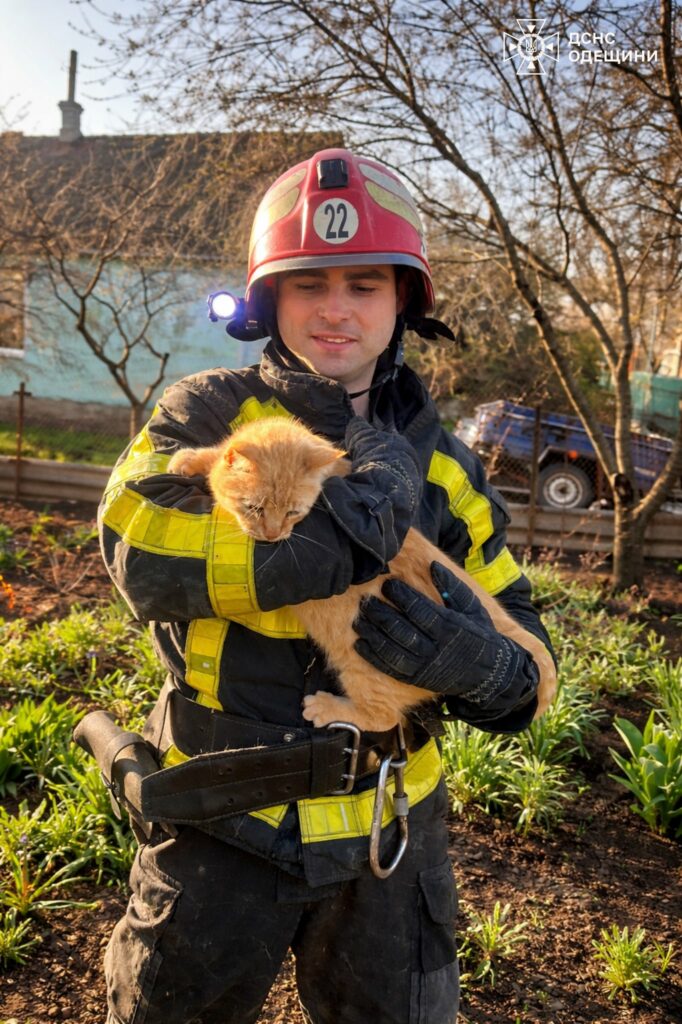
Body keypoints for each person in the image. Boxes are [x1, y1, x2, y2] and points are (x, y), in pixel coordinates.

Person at [98, 148, 555, 1024]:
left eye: (365, 284)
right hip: (218, 826)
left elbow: (528, 652)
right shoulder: (203, 414)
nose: (336, 309)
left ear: (402, 303)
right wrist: (331, 542)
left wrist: (489, 672)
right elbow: (135, 548)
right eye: (309, 284)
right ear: (272, 299)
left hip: (391, 835)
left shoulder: (445, 466)